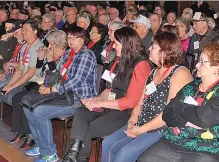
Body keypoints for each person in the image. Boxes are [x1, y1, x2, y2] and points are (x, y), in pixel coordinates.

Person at [138, 42, 219, 162]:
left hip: (207, 149)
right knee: (144, 159)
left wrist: (180, 109)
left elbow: (204, 119)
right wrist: (190, 119)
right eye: (199, 60)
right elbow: (167, 114)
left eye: (203, 62)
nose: (197, 65)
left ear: (217, 66)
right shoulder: (192, 87)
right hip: (174, 141)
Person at [63, 27, 152, 162]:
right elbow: (109, 88)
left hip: (126, 113)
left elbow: (131, 102)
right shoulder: (119, 59)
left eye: (116, 43)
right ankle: (73, 156)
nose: (113, 46)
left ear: (127, 44)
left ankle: (76, 158)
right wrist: (94, 100)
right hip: (110, 106)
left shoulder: (141, 65)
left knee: (85, 129)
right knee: (82, 112)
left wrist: (100, 103)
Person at [102, 32, 193, 162]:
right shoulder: (153, 72)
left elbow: (169, 113)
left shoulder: (179, 73)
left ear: (165, 51)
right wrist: (132, 121)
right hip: (142, 122)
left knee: (124, 153)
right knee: (107, 143)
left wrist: (141, 130)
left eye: (153, 47)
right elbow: (140, 103)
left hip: (161, 129)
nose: (149, 49)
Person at [23, 26, 98, 162]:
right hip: (64, 94)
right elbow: (57, 72)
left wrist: (52, 89)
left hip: (79, 99)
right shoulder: (70, 53)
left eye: (73, 38)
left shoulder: (86, 55)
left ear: (82, 39)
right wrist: (47, 84)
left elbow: (76, 81)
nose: (69, 41)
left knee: (39, 112)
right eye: (68, 38)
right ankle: (41, 146)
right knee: (28, 105)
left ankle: (50, 154)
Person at [9, 30, 68, 150]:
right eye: (49, 43)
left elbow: (57, 76)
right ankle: (22, 131)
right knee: (17, 98)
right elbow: (41, 70)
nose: (49, 46)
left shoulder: (64, 55)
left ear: (59, 44)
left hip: (52, 88)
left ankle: (31, 136)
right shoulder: (50, 52)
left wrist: (51, 60)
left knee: (25, 100)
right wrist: (41, 59)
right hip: (41, 83)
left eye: (52, 44)